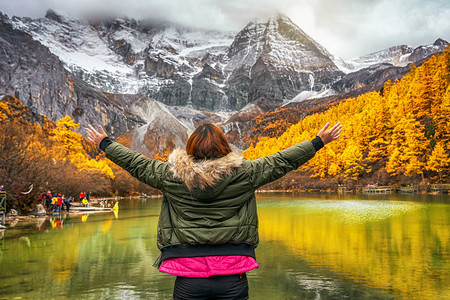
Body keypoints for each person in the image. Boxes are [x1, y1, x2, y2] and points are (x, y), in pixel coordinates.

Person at [86, 122, 342, 299]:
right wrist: (318, 141)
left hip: (187, 274)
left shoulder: (169, 175)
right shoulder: (246, 174)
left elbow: (134, 162)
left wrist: (105, 143)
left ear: (191, 148)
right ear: (223, 146)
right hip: (233, 272)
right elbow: (283, 160)